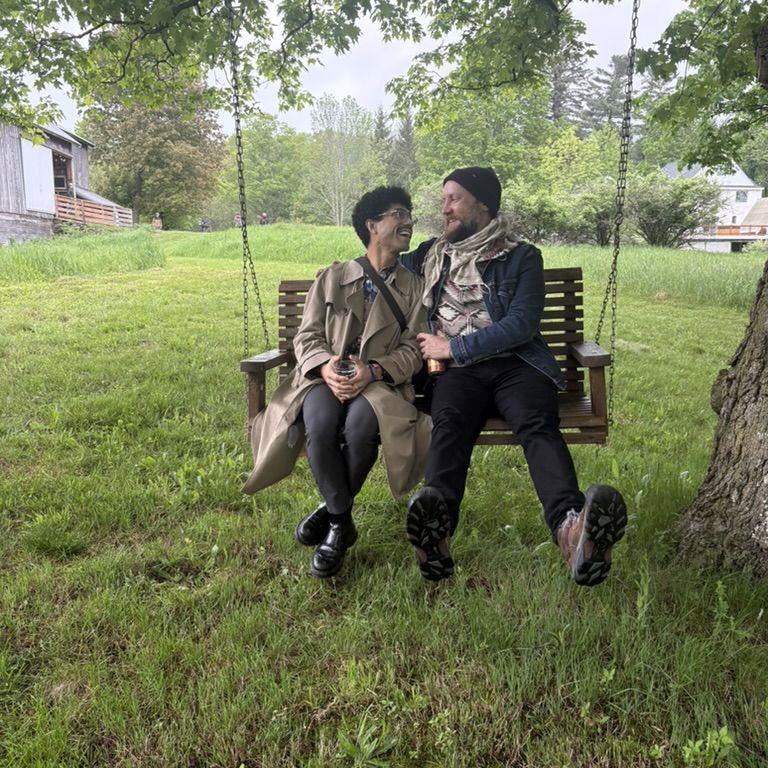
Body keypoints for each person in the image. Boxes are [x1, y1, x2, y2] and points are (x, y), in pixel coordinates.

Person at [400, 167, 627, 585]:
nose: (444, 208)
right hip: (458, 374)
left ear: (483, 204)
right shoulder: (432, 253)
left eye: (454, 199)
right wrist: (348, 267)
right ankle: (436, 534)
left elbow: (521, 324)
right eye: (443, 199)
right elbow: (383, 265)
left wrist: (453, 347)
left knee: (537, 426)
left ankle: (573, 532)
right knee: (449, 425)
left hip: (517, 366)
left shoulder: (522, 257)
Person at [242, 186, 431, 578]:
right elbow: (307, 336)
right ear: (372, 225)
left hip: (380, 384)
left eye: (409, 214)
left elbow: (414, 348)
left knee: (361, 429)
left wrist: (374, 371)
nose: (408, 221)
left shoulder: (413, 287)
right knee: (321, 424)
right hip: (322, 380)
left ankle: (331, 515)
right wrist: (326, 366)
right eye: (398, 213)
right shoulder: (332, 277)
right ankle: (342, 523)